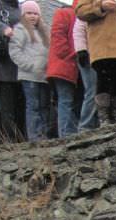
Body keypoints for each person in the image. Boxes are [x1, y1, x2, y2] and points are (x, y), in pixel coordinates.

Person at [8, 0, 49, 141]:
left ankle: (44, 135)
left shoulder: (44, 31)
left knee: (45, 106)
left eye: (36, 13)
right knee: (33, 106)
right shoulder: (19, 30)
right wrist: (31, 66)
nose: (33, 16)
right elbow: (14, 52)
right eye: (29, 13)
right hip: (29, 76)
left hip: (44, 76)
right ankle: (34, 137)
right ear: (23, 14)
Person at [0, 0, 24, 142]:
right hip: (3, 63)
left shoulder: (20, 7)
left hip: (21, 63)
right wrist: (5, 29)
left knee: (21, 104)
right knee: (8, 106)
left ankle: (22, 138)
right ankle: (11, 140)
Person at [46, 0, 79, 138]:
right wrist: (73, 55)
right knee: (66, 101)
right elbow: (58, 40)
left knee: (67, 101)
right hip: (63, 67)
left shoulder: (71, 14)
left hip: (66, 67)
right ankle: (66, 134)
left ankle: (68, 132)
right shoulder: (65, 13)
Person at [72, 17, 97, 131]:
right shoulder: (87, 10)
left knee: (99, 92)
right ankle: (85, 126)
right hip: (88, 55)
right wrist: (81, 50)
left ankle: (94, 124)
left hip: (101, 55)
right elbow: (78, 30)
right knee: (92, 91)